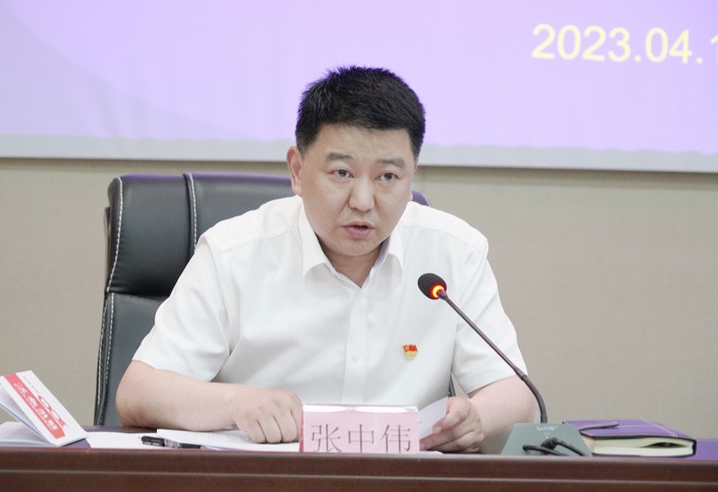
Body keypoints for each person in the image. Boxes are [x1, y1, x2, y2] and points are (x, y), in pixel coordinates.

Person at [116, 66, 535, 453]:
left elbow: (517, 394)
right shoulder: (233, 252)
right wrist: (235, 403)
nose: (363, 201)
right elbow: (138, 393)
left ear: (411, 176)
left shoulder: (454, 252)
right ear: (297, 170)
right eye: (342, 173)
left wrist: (475, 417)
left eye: (388, 177)